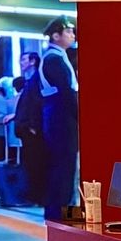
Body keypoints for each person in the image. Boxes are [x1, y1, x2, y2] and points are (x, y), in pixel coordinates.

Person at [39, 18, 79, 222]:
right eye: (68, 32)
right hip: (61, 116)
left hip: (56, 115)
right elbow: (66, 91)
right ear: (56, 36)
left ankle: (59, 213)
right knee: (65, 167)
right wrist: (79, 115)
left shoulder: (55, 56)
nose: (72, 35)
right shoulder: (54, 58)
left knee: (61, 166)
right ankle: (64, 215)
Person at [9, 49, 44, 210]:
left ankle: (37, 197)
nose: (21, 63)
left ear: (32, 61)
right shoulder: (30, 81)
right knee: (29, 163)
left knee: (35, 163)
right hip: (25, 129)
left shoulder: (37, 79)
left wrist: (33, 126)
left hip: (32, 130)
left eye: (24, 60)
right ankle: (33, 196)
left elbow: (37, 104)